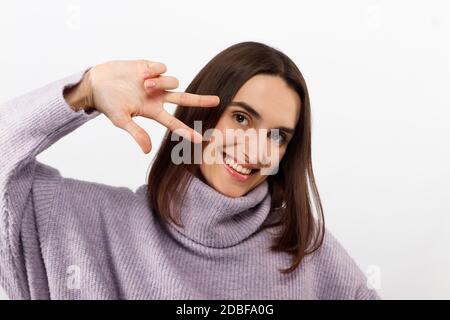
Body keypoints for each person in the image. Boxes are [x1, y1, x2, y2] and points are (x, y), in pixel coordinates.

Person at [0, 41, 380, 299]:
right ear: (201, 117)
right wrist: (87, 90)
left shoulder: (305, 249)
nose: (256, 150)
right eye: (242, 118)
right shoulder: (85, 223)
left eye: (278, 135)